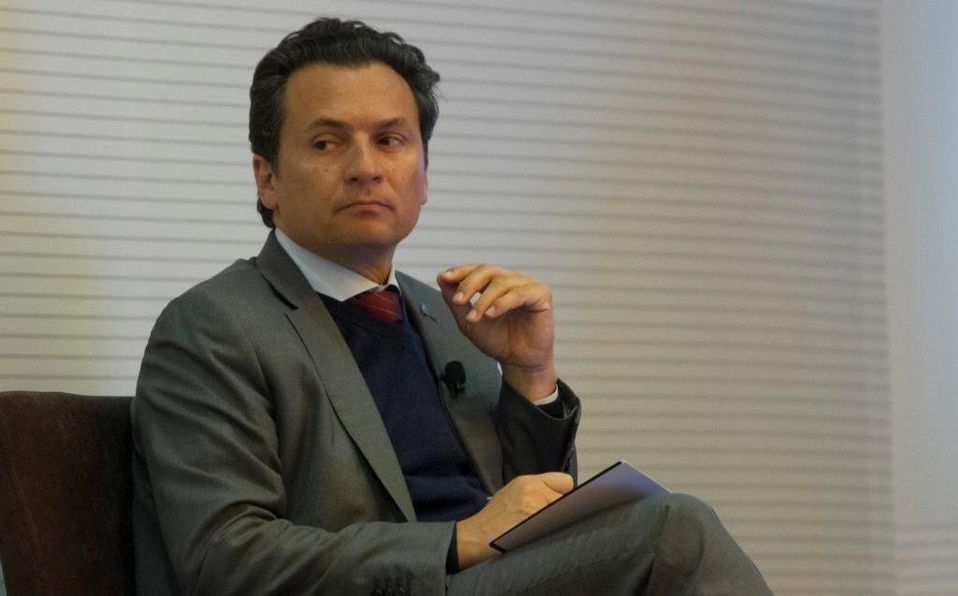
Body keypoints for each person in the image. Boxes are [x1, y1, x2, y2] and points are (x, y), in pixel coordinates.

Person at [131, 17, 772, 595]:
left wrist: (530, 377)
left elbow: (536, 527)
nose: (365, 167)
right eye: (327, 143)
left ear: (425, 176)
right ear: (267, 178)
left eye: (390, 140)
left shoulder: (447, 315)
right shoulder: (212, 326)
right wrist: (457, 540)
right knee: (674, 531)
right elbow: (226, 557)